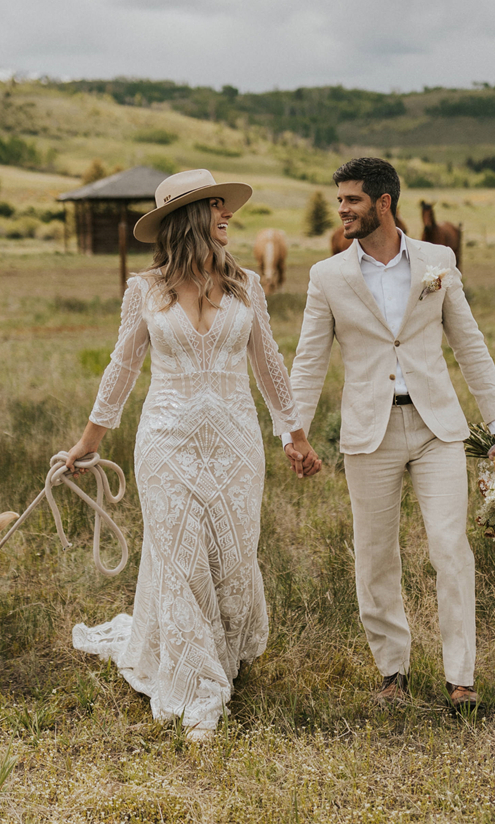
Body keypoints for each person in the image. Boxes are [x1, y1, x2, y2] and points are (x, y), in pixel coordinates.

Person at [67, 168, 320, 740]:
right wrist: (88, 444)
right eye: (214, 206)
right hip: (165, 445)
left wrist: (294, 436)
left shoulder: (247, 285)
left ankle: (222, 661)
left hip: (236, 445)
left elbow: (270, 366)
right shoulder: (145, 291)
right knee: (180, 561)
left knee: (230, 560)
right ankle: (196, 686)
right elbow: (122, 368)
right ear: (188, 218)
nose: (226, 214)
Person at [285, 157, 495, 707]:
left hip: (438, 427)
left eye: (353, 200)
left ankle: (461, 680)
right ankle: (394, 675)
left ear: (383, 204)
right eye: (339, 199)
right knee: (375, 553)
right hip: (370, 433)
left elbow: (470, 345)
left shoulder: (438, 261)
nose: (342, 209)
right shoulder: (327, 276)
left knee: (449, 546)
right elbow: (309, 360)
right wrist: (295, 433)